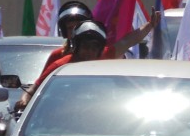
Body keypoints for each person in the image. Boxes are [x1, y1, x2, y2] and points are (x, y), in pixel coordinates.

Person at [15, 15, 156, 111]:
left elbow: (128, 41)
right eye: (85, 47)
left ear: (100, 50)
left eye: (94, 48)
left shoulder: (105, 55)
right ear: (76, 47)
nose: (89, 52)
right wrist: (24, 100)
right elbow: (34, 88)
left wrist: (150, 25)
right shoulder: (60, 66)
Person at [40, 1, 94, 71]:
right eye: (70, 28)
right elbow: (43, 81)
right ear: (64, 32)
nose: (74, 32)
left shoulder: (104, 53)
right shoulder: (57, 56)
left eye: (78, 27)